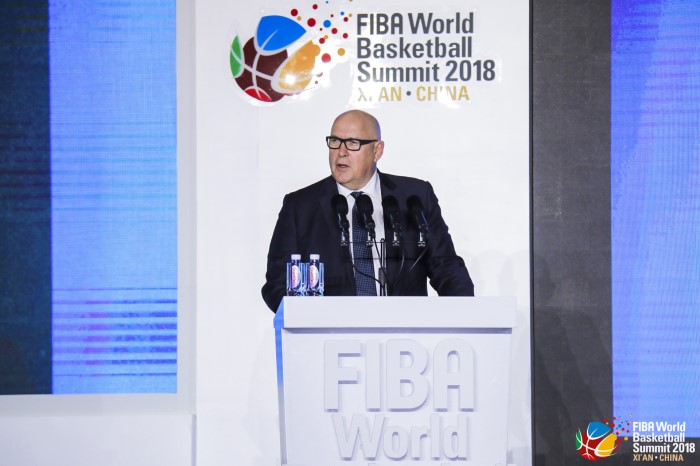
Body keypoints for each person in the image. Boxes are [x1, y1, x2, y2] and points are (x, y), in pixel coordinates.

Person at [261, 109, 474, 312]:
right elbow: (278, 284)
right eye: (334, 141)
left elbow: (445, 267)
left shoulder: (414, 197)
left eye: (353, 143)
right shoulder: (300, 207)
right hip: (331, 334)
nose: (341, 152)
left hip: (404, 331)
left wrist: (465, 316)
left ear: (377, 150)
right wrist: (310, 320)